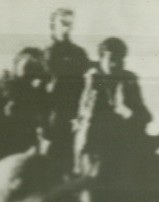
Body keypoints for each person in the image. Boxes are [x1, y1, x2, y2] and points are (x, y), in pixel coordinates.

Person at [74, 36, 152, 202]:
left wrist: (125, 111)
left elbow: (145, 117)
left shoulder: (129, 81)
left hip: (121, 159)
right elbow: (84, 119)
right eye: (111, 58)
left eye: (120, 59)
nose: (116, 63)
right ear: (102, 58)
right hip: (94, 159)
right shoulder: (92, 80)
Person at [0, 48, 49, 178]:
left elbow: (41, 114)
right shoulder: (1, 83)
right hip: (0, 142)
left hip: (24, 144)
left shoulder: (35, 88)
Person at [44, 7, 91, 174]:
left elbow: (89, 84)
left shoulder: (79, 54)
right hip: (50, 116)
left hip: (72, 115)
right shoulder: (45, 55)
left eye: (69, 25)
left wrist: (81, 114)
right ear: (52, 25)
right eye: (63, 24)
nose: (66, 28)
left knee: (68, 162)